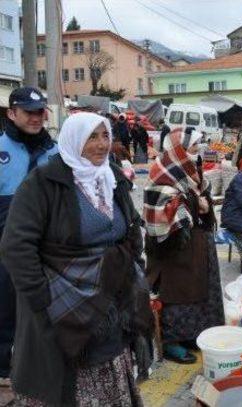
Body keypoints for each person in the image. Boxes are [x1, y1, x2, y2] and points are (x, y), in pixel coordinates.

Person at [0, 112, 153, 405]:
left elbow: (129, 225)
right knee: (68, 388)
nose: (102, 144)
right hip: (64, 309)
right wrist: (42, 298)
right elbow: (15, 246)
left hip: (110, 309)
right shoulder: (43, 183)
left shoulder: (111, 176)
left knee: (110, 376)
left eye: (105, 135)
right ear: (73, 140)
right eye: (91, 137)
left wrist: (134, 269)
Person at [144, 128, 224, 364]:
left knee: (199, 291)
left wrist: (203, 203)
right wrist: (193, 203)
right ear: (178, 150)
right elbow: (158, 214)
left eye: (198, 147)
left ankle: (192, 335)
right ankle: (172, 342)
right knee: (178, 295)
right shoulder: (162, 174)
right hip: (173, 251)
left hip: (196, 245)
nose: (197, 153)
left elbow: (203, 197)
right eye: (192, 148)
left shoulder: (193, 172)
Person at [0, 87, 59, 385]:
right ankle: (3, 369)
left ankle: (43, 362)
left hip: (49, 248)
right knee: (5, 308)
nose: (37, 118)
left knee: (44, 305)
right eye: (28, 112)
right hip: (6, 248)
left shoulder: (55, 151)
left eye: (40, 111)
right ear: (11, 113)